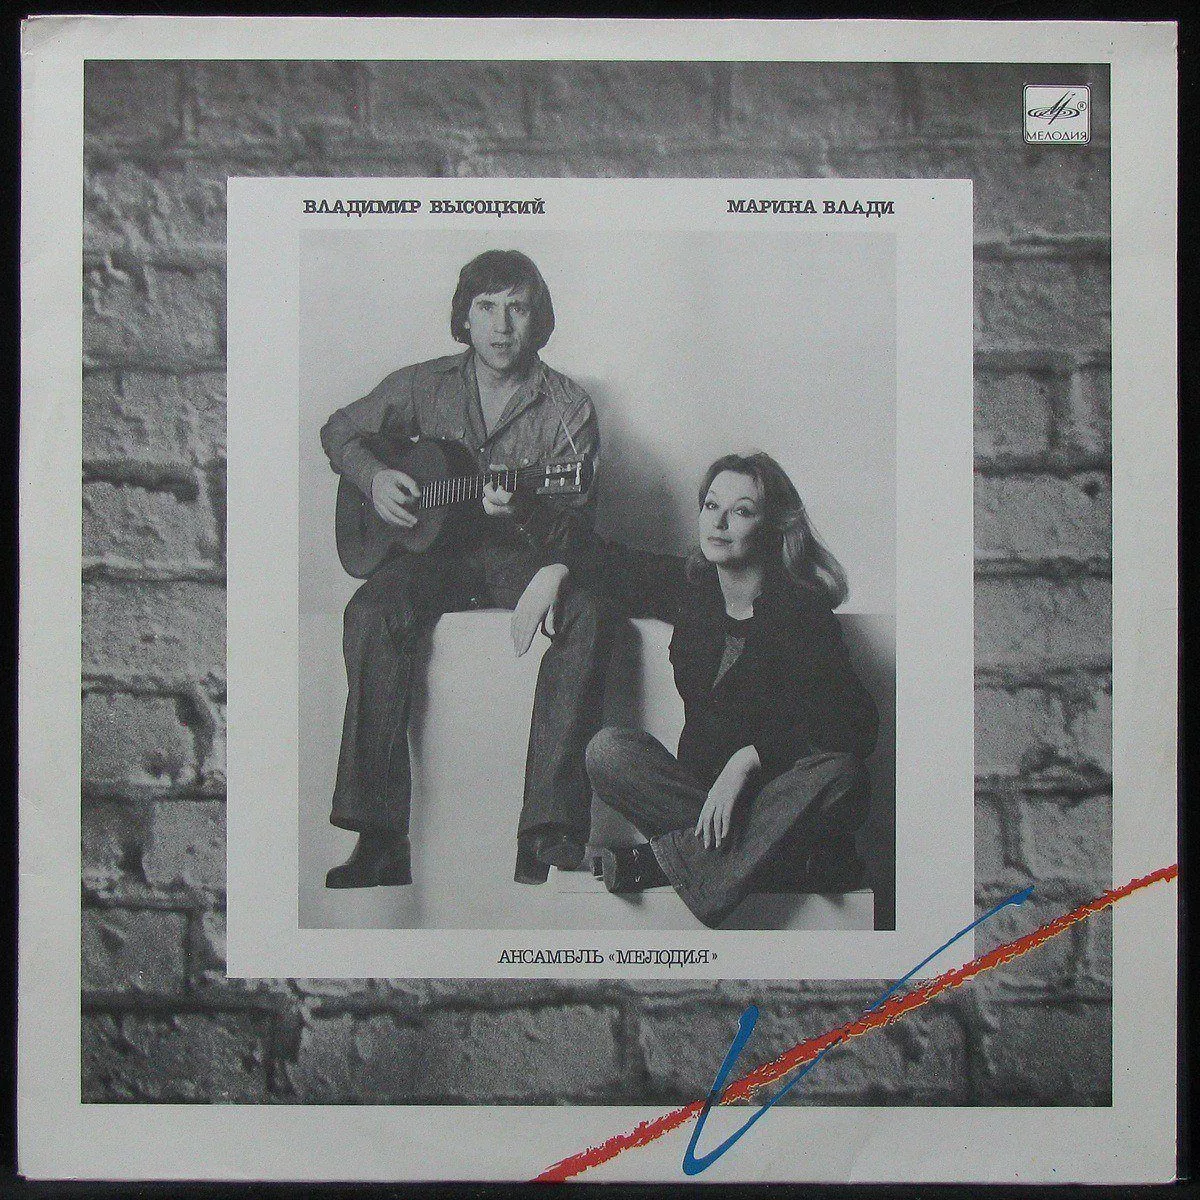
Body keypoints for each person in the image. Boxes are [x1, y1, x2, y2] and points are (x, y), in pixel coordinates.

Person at [321, 249, 615, 889]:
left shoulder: (567, 406)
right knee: (370, 611)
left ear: (538, 318)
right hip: (432, 559)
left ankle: (549, 834)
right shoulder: (422, 385)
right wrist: (375, 479)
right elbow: (339, 431)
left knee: (587, 614)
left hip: (521, 558)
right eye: (487, 307)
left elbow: (578, 520)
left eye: (518, 308)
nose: (502, 326)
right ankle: (379, 840)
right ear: (465, 316)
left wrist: (524, 509)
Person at [512, 452, 878, 928]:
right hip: (701, 805)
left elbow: (856, 723)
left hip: (775, 800)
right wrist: (556, 569)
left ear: (772, 527)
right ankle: (780, 865)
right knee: (607, 751)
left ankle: (662, 864)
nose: (719, 523)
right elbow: (609, 560)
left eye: (741, 511)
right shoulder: (693, 588)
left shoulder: (802, 612)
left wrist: (750, 759)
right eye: (711, 506)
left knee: (842, 774)